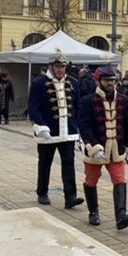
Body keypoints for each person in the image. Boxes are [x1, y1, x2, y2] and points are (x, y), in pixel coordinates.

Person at [78, 66, 128, 229]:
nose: (110, 83)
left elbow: (127, 125)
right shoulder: (88, 101)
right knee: (91, 181)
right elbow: (84, 126)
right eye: (106, 80)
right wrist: (91, 146)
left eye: (113, 80)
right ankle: (93, 212)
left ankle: (121, 216)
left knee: (119, 180)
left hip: (116, 149)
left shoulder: (123, 100)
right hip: (96, 149)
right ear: (99, 81)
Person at [27, 51, 85, 208]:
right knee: (45, 163)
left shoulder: (73, 82)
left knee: (69, 164)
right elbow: (33, 107)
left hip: (68, 132)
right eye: (57, 66)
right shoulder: (38, 84)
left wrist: (80, 128)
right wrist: (39, 125)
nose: (60, 70)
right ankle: (42, 192)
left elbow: (78, 106)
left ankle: (70, 196)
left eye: (63, 66)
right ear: (50, 67)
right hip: (48, 132)